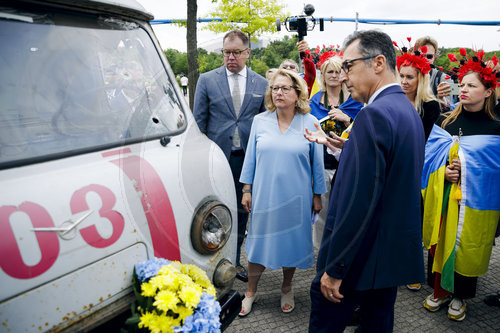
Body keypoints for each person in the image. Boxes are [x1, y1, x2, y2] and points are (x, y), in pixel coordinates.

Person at [307, 30, 426, 333]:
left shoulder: (373, 115)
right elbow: (389, 174)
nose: (344, 75)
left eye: (348, 65)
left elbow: (357, 202)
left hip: (357, 260)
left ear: (378, 63)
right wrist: (347, 149)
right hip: (386, 258)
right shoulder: (405, 110)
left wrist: (336, 268)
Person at [238, 69, 326, 316]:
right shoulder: (260, 121)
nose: (278, 92)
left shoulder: (311, 122)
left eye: (285, 88)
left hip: (297, 197)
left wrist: (317, 195)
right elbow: (251, 159)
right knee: (258, 244)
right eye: (275, 88)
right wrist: (247, 189)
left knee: (291, 242)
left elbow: (316, 164)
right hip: (265, 194)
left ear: (298, 93)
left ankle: (287, 287)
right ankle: (251, 292)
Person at [421, 50, 500, 322]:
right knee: (441, 241)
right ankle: (440, 290)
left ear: (488, 91)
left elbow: (495, 171)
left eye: (472, 86)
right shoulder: (445, 121)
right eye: (462, 85)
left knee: (468, 245)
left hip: (478, 202)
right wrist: (445, 174)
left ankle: (460, 296)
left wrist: (466, 173)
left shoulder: (496, 128)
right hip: (444, 199)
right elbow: (429, 161)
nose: (463, 90)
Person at [193, 29, 268, 283]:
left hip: (245, 160)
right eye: (227, 52)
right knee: (213, 211)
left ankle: (234, 263)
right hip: (216, 159)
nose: (231, 57)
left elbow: (264, 124)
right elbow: (199, 124)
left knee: (242, 212)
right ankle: (210, 262)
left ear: (248, 53)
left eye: (236, 52)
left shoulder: (261, 83)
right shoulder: (206, 80)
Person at [308, 55, 363, 250]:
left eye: (337, 71)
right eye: (329, 71)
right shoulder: (313, 102)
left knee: (345, 211)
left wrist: (347, 119)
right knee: (321, 213)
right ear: (323, 75)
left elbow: (364, 133)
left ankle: (343, 250)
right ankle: (322, 254)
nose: (333, 75)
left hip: (346, 165)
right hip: (321, 164)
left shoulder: (355, 101)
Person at [397, 45, 441, 142]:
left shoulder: (431, 106)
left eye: (409, 77)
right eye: (401, 76)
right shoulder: (392, 102)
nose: (404, 81)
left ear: (421, 80)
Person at [414, 36, 454, 108]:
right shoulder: (405, 76)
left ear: (434, 57)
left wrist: (442, 99)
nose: (425, 59)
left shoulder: (446, 79)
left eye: (429, 56)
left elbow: (451, 108)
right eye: (421, 55)